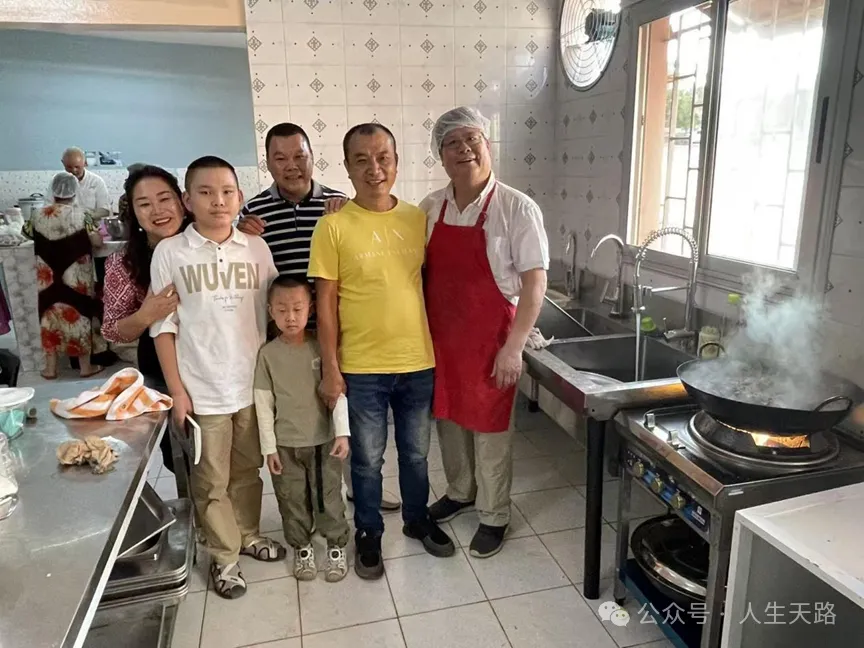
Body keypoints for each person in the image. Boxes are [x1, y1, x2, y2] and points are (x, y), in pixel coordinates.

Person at [309, 123, 455, 580]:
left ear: (396, 161)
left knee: (416, 455)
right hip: (362, 367)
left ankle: (416, 519)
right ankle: (368, 532)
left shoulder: (417, 219)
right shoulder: (333, 225)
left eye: (383, 158)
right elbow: (325, 304)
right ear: (348, 167)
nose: (374, 169)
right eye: (362, 160)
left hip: (417, 361)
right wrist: (331, 368)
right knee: (367, 460)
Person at [238, 122, 401, 512]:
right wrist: (240, 232)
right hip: (287, 340)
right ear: (268, 163)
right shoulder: (253, 213)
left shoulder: (338, 203)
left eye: (300, 156)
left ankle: (360, 488)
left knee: (348, 415)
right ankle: (308, 497)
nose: (291, 165)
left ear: (313, 157)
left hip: (336, 332)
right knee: (299, 417)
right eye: (280, 158)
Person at [150, 155, 286, 599]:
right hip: (202, 389)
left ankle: (247, 534)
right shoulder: (171, 252)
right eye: (205, 192)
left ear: (240, 197)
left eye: (227, 192)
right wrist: (177, 391)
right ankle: (224, 558)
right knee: (211, 481)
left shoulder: (256, 249)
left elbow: (273, 314)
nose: (218, 201)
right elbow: (163, 327)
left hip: (251, 385)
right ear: (188, 200)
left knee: (248, 470)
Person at [423, 107, 548, 558]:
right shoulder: (429, 208)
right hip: (443, 341)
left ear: (487, 145)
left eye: (472, 139)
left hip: (492, 341)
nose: (464, 149)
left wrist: (513, 348)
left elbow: (535, 284)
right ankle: (460, 492)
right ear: (440, 155)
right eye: (452, 143)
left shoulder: (516, 207)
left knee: (491, 430)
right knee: (450, 422)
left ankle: (494, 514)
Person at [254, 276, 351, 583]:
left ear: (311, 308)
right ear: (270, 311)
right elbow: (263, 404)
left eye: (298, 309)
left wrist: (342, 432)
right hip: (286, 445)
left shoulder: (321, 348)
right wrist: (269, 448)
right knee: (291, 499)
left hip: (324, 441)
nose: (291, 317)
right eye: (282, 310)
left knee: (329, 496)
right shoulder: (267, 355)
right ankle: (302, 547)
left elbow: (337, 393)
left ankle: (336, 545)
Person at [102, 165, 190, 473]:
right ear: (134, 214)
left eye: (165, 199)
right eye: (144, 204)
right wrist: (145, 316)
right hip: (161, 370)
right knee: (183, 457)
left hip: (218, 365)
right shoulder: (123, 264)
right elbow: (112, 330)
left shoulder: (211, 241)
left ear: (182, 201)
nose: (157, 210)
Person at [24, 172, 105, 380]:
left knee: (49, 317)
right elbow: (97, 242)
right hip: (76, 279)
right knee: (81, 317)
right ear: (75, 191)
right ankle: (85, 367)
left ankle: (50, 369)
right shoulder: (83, 215)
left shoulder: (36, 215)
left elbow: (26, 234)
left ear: (53, 191)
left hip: (47, 278)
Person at [56, 147, 111, 219]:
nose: (73, 170)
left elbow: (105, 210)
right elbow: (49, 205)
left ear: (85, 163)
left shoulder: (97, 182)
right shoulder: (57, 182)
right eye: (69, 167)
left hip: (90, 224)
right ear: (63, 163)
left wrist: (86, 217)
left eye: (77, 167)